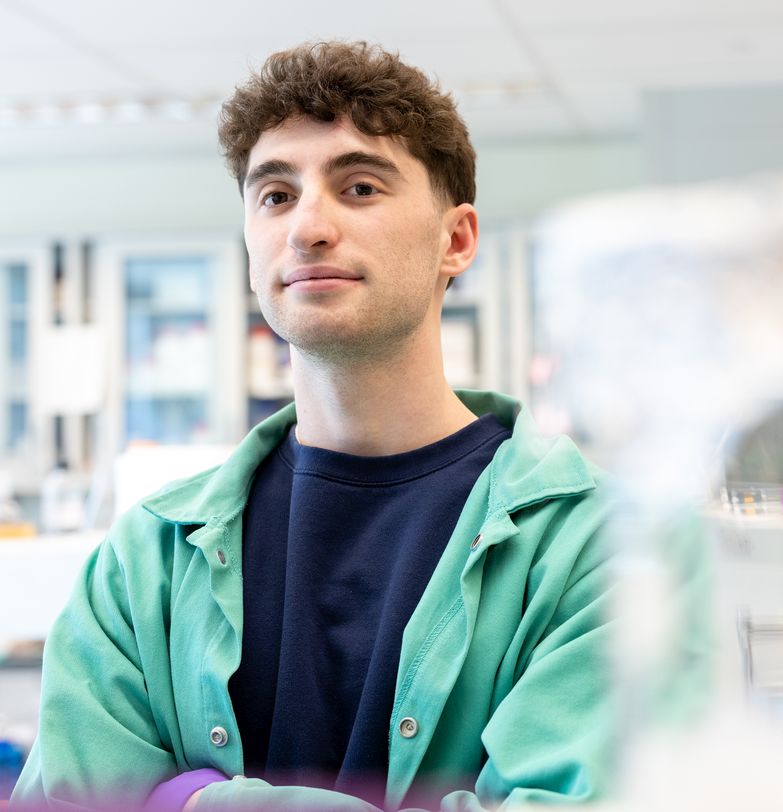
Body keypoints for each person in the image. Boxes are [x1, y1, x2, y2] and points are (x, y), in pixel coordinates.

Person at [12, 41, 615, 812]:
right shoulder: (149, 557)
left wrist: (190, 801)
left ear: (455, 241)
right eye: (273, 196)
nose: (308, 228)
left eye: (359, 187)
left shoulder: (590, 546)